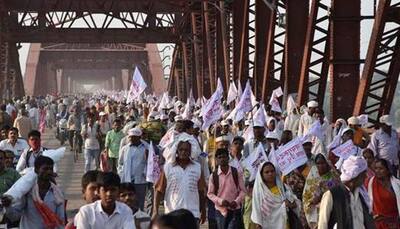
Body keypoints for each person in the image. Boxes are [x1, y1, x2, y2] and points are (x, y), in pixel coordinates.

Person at [153, 135, 207, 225]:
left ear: (190, 152)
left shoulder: (197, 167)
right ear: (177, 151)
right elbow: (158, 190)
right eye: (181, 149)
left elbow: (201, 191)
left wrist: (203, 211)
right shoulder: (168, 167)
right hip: (172, 213)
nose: (183, 152)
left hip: (192, 214)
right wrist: (155, 211)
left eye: (186, 150)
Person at [2, 156, 65, 229]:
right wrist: (8, 206)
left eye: (51, 169)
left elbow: (60, 220)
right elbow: (14, 216)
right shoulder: (28, 192)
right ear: (36, 170)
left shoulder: (58, 193)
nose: (49, 172)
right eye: (45, 169)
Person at [318, 155, 375, 229]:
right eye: (363, 174)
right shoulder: (331, 194)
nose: (366, 176)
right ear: (355, 175)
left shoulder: (362, 194)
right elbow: (323, 224)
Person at [251, 162, 298, 228]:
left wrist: (288, 204)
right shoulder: (259, 193)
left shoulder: (283, 188)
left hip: (285, 224)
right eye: (267, 172)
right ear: (261, 175)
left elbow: (295, 204)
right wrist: (258, 224)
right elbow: (257, 210)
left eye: (272, 171)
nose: (270, 174)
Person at [207, 148, 246, 229]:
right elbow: (210, 194)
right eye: (220, 157)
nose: (222, 159)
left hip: (234, 209)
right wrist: (220, 201)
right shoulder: (213, 176)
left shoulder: (236, 172)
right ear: (216, 160)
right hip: (220, 211)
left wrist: (236, 201)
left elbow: (243, 191)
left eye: (224, 157)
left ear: (228, 158)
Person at [302, 154, 340, 229]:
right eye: (318, 163)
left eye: (323, 163)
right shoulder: (312, 178)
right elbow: (307, 197)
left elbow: (340, 189)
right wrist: (315, 199)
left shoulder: (333, 176)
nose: (321, 165)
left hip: (333, 209)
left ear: (326, 163)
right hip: (318, 211)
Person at [118, 127, 148, 210]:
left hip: (140, 180)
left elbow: (150, 163)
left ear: (139, 137)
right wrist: (121, 174)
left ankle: (139, 218)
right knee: (127, 202)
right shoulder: (125, 149)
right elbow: (120, 163)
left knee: (139, 202)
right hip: (127, 180)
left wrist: (145, 173)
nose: (131, 139)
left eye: (133, 137)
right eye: (130, 137)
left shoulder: (146, 148)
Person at [366, 159, 400, 229]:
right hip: (377, 222)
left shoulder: (397, 184)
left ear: (388, 170)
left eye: (381, 168)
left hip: (394, 223)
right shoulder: (369, 183)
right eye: (376, 168)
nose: (377, 171)